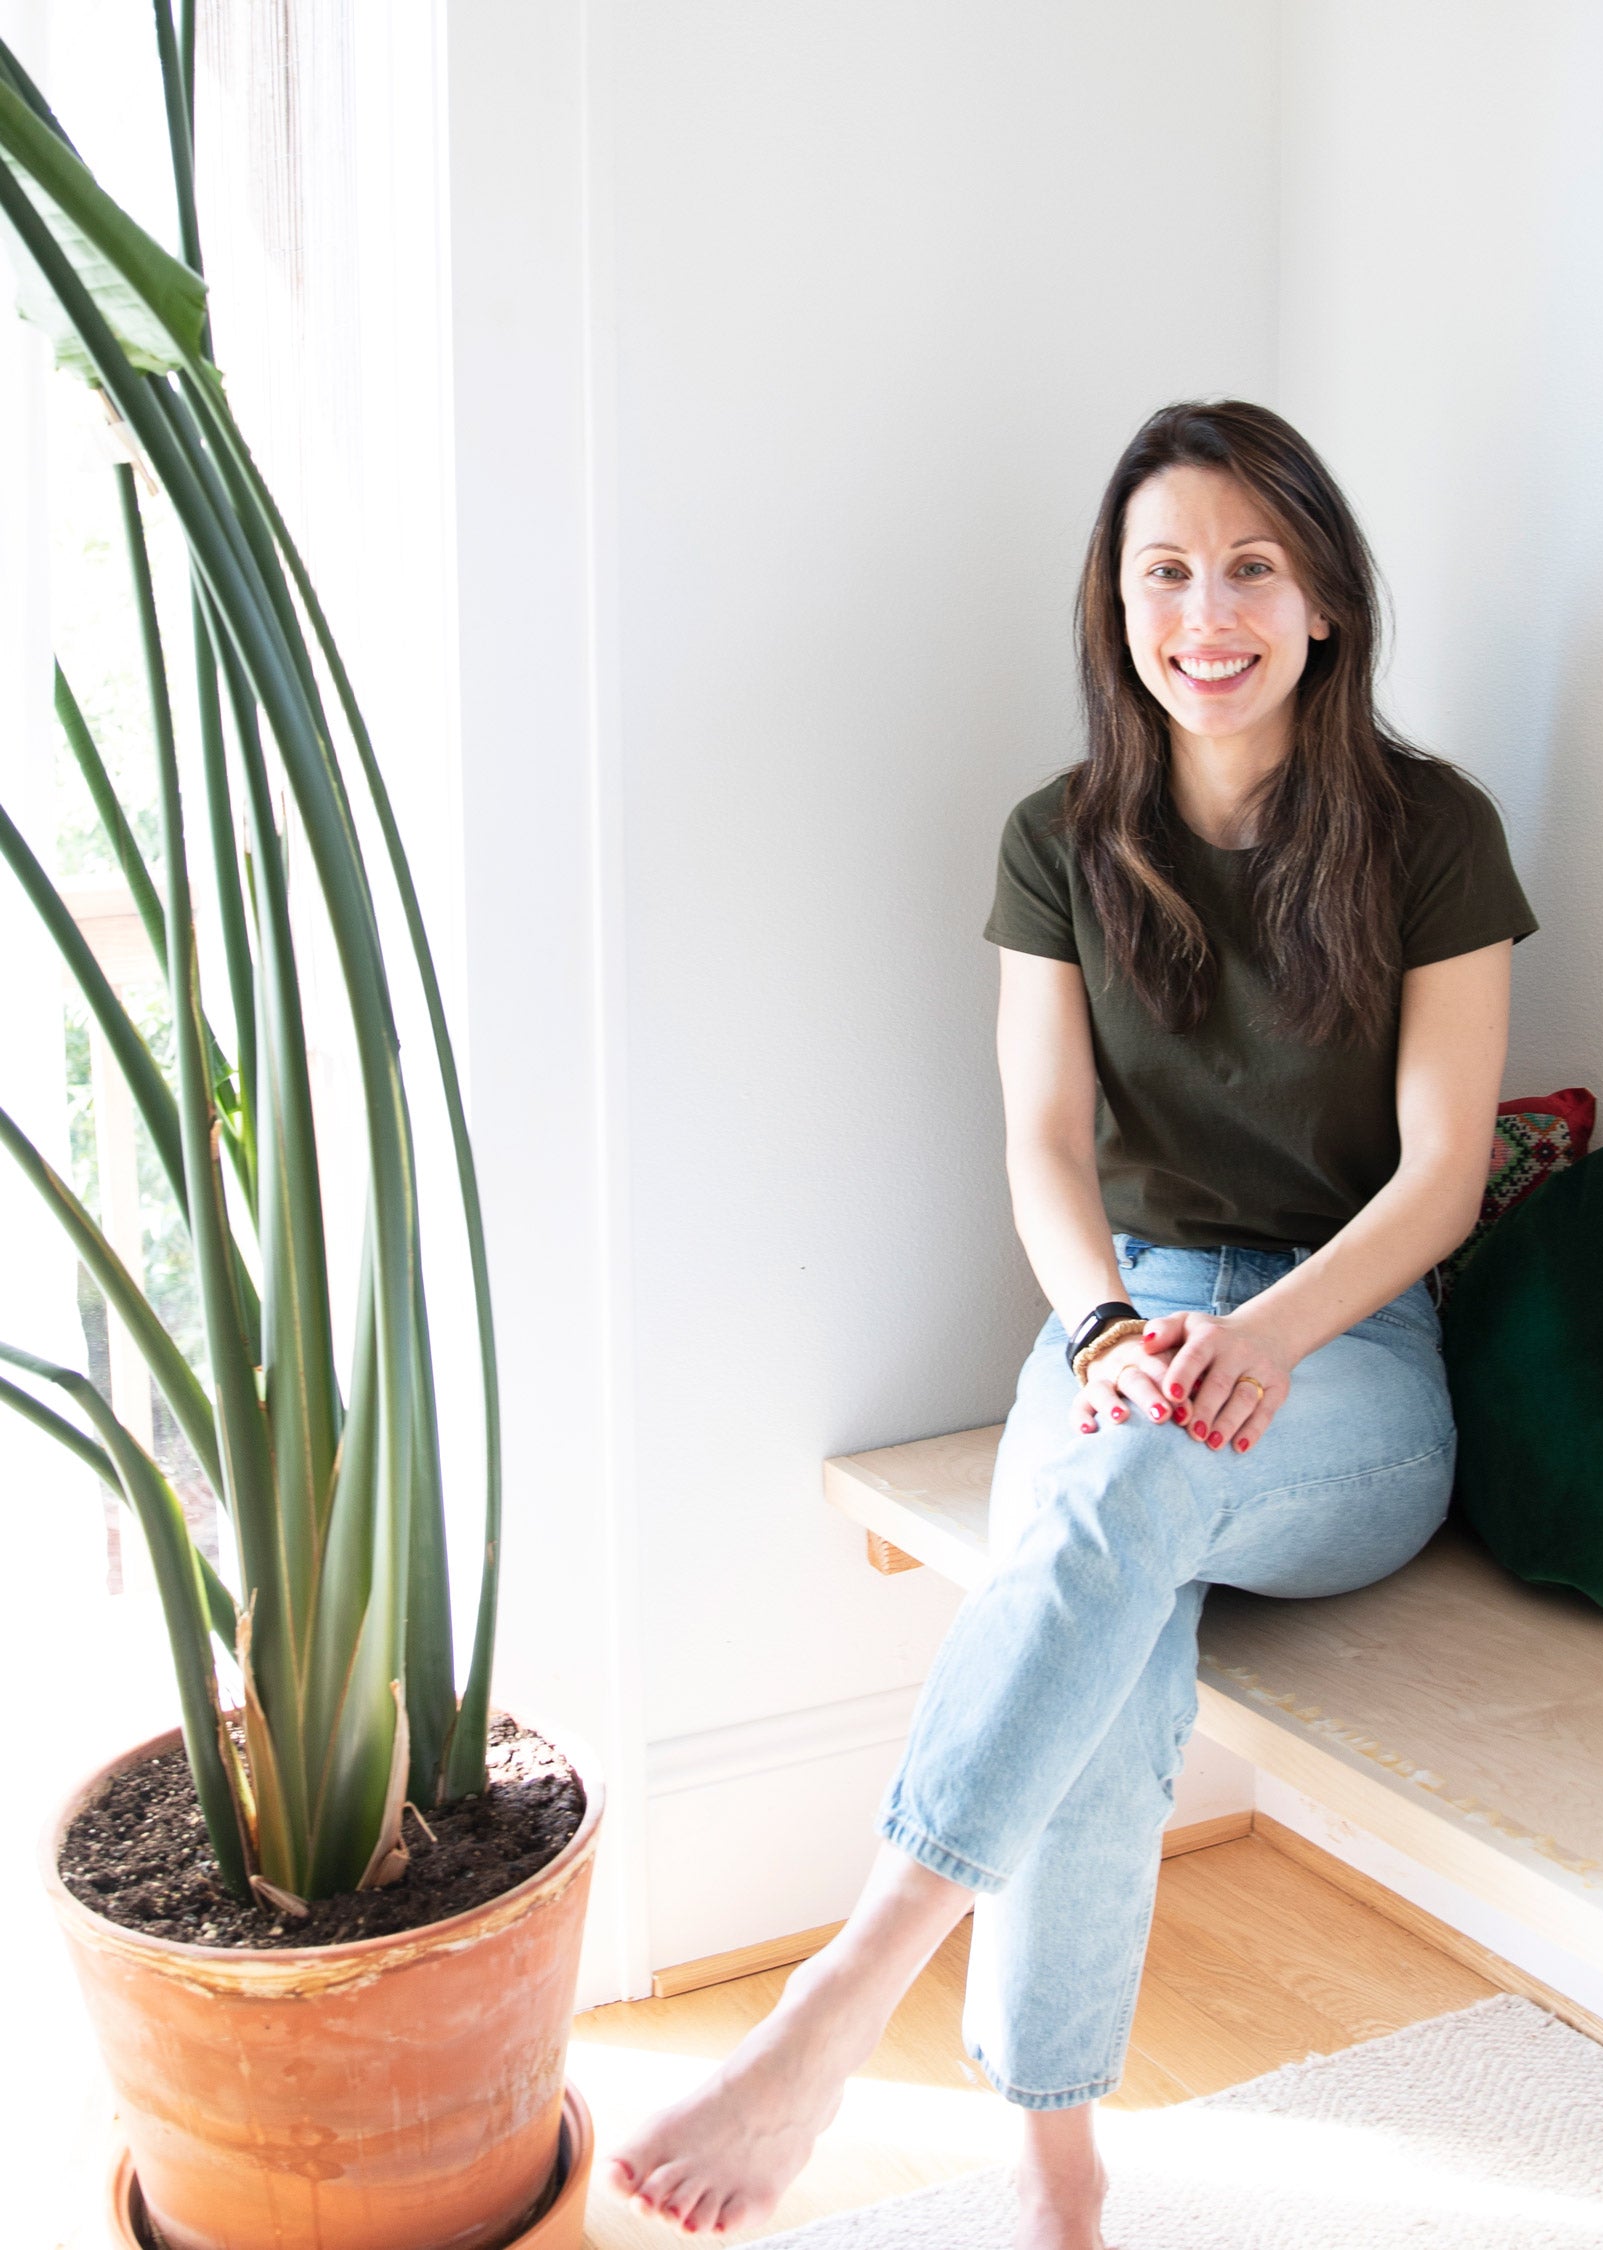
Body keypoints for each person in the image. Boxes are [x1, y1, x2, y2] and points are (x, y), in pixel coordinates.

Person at [606, 399, 1536, 2247]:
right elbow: (1041, 1147)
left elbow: (1439, 1176)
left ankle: (838, 2000)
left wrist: (1265, 1336)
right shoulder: (1061, 837)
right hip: (1123, 1332)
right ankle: (1054, 2173)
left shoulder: (1433, 831)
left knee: (1127, 1496)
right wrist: (1113, 1332)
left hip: (1354, 1358)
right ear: (1115, 608)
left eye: (1254, 565)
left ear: (1329, 599)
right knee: (1118, 1532)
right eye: (1165, 570)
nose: (1210, 609)